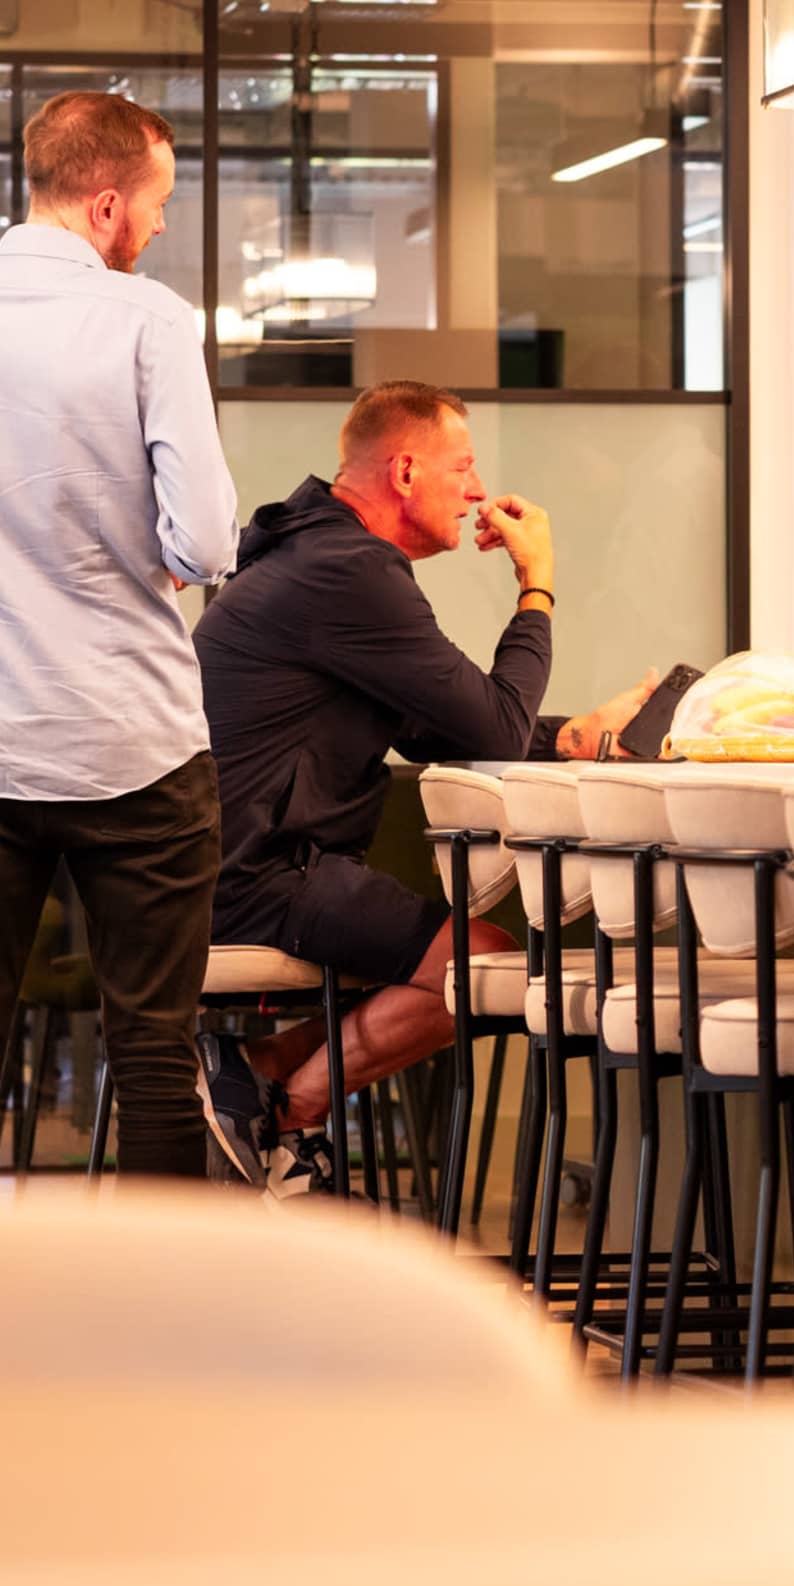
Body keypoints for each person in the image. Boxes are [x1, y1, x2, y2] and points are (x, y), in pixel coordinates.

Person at [0, 88, 237, 1186]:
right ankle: (154, 1326)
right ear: (109, 202)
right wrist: (169, 545)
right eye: (158, 205)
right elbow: (206, 537)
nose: (160, 229)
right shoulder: (148, 321)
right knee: (153, 1048)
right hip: (136, 747)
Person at [195, 380, 561, 1193]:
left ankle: (246, 1078)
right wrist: (536, 583)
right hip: (256, 874)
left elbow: (442, 722)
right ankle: (285, 1111)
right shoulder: (350, 570)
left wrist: (571, 737)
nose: (475, 491)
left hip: (233, 862)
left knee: (471, 960)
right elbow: (493, 732)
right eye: (463, 467)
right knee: (488, 967)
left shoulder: (314, 552)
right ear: (404, 472)